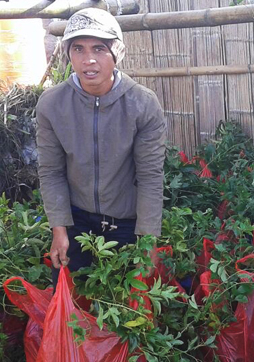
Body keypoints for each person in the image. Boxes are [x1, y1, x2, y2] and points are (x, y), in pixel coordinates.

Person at [35, 8, 167, 286]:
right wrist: (59, 229)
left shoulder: (142, 104)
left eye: (99, 48)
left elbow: (150, 176)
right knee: (69, 296)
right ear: (68, 54)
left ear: (116, 53)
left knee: (127, 301)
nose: (89, 60)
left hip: (126, 220)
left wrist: (148, 240)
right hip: (77, 219)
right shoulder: (52, 104)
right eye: (78, 49)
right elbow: (51, 172)